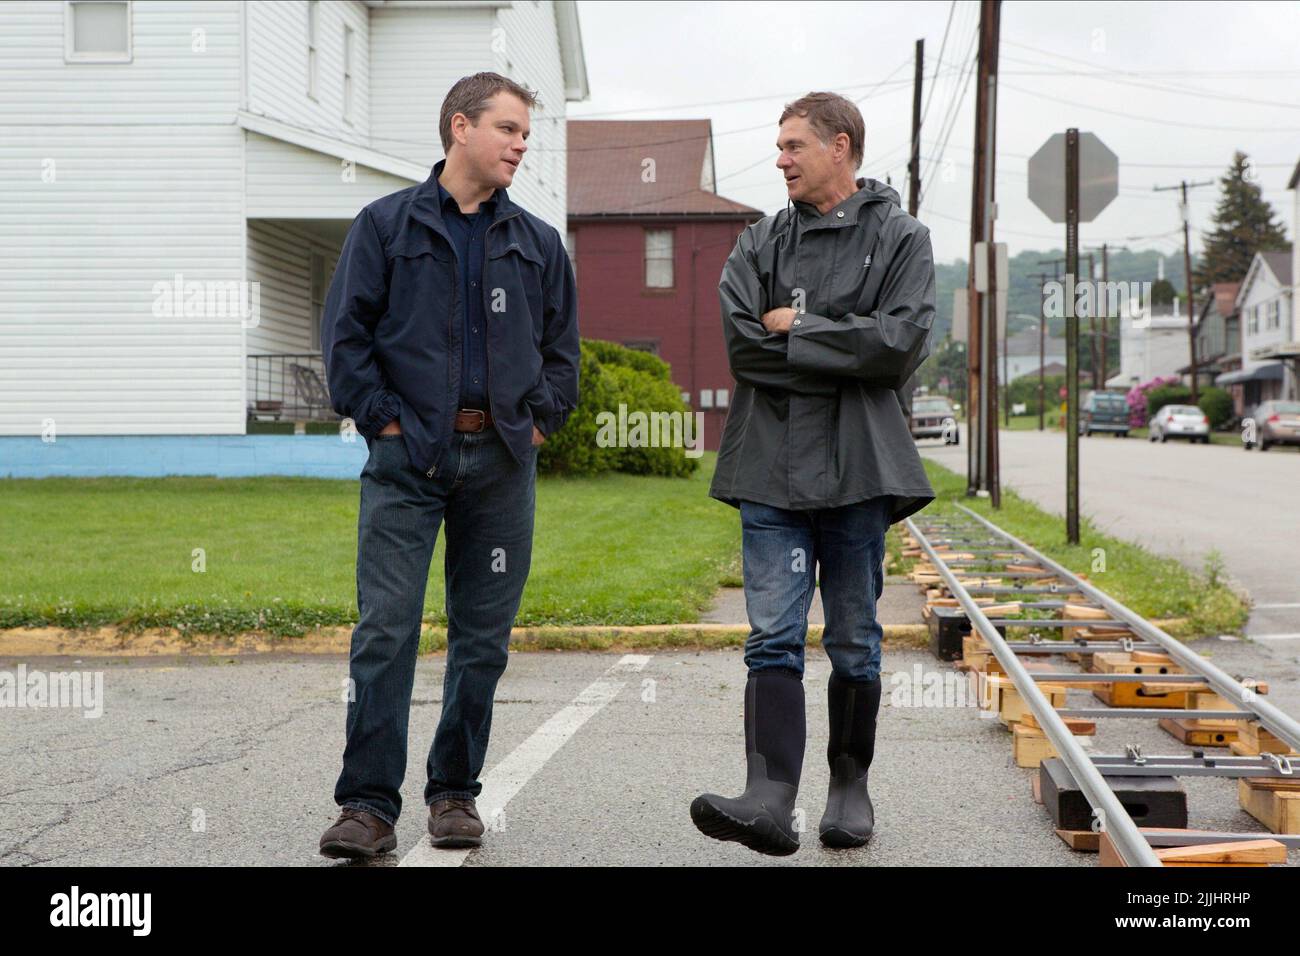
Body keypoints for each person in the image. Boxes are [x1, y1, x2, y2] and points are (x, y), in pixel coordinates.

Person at [317, 72, 579, 859]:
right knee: (385, 631)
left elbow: (562, 354)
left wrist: (535, 425)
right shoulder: (386, 226)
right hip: (408, 463)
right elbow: (346, 337)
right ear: (459, 128)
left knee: (482, 638)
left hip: (500, 464)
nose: (520, 145)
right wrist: (385, 420)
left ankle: (455, 794)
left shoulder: (535, 243)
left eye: (526, 133)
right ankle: (366, 806)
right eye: (507, 129)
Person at [692, 91, 936, 855]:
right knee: (771, 637)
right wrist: (842, 349)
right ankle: (768, 798)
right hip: (769, 469)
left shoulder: (903, 238)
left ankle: (849, 788)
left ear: (842, 147)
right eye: (780, 145)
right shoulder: (759, 242)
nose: (781, 159)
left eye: (795, 145)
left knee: (856, 640)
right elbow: (743, 350)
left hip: (861, 472)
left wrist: (800, 328)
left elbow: (899, 346)